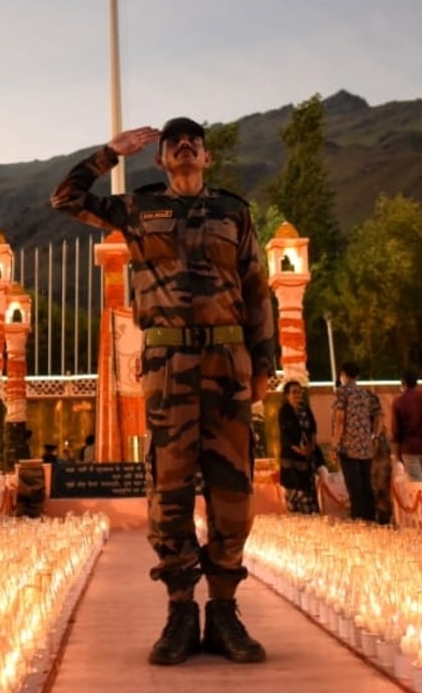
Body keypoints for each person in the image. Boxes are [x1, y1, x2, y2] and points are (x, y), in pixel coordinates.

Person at [51, 117, 274, 666]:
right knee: (167, 486)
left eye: (193, 140)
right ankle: (180, 609)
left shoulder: (233, 211)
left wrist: (265, 361)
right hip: (168, 363)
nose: (184, 145)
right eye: (174, 141)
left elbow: (255, 285)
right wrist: (109, 152)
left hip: (228, 360)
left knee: (233, 487)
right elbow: (65, 198)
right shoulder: (138, 208)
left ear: (207, 157)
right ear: (160, 159)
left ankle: (223, 610)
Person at [330, 363, 381, 521]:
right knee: (366, 486)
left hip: (348, 447)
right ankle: (371, 518)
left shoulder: (342, 392)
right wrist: (373, 436)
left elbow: (339, 421)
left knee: (354, 488)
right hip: (365, 447)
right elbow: (378, 419)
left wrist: (334, 446)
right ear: (358, 376)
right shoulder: (367, 394)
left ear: (343, 374)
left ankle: (359, 520)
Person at [277, 381, 321, 514]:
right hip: (291, 455)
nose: (297, 395)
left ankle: (311, 515)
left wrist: (311, 447)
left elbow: (313, 428)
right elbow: (285, 434)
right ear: (287, 395)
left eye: (299, 391)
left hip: (308, 454)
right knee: (294, 487)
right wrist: (299, 450)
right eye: (294, 392)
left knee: (308, 486)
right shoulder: (284, 411)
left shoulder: (305, 409)